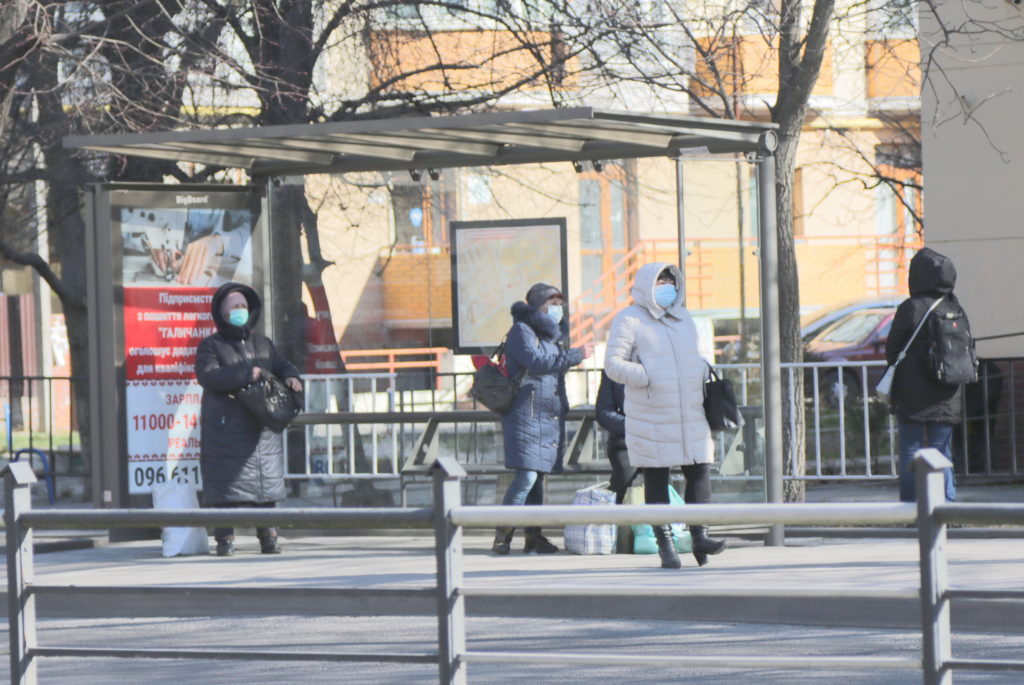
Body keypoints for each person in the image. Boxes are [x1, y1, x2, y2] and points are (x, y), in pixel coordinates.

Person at [604, 263, 727, 569]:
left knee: (699, 470)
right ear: (647, 285)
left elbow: (700, 355)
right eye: (661, 282)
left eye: (671, 282)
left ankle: (701, 536)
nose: (667, 287)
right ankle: (666, 545)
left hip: (690, 411)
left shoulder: (684, 318)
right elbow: (613, 364)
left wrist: (700, 370)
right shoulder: (629, 319)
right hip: (652, 413)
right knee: (657, 476)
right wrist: (648, 375)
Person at [194, 282, 303, 556]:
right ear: (222, 312)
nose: (240, 310)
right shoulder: (211, 346)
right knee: (226, 487)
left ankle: (269, 537)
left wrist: (292, 377)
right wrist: (246, 374)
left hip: (261, 427)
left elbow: (282, 365)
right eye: (234, 306)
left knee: (266, 486)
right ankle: (225, 539)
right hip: (227, 429)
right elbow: (209, 376)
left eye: (243, 305)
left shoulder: (263, 344)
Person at [492, 283, 595, 555]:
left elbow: (553, 371)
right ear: (538, 305)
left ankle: (533, 536)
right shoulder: (522, 331)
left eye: (560, 303)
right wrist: (576, 355)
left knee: (537, 478)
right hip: (524, 415)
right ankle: (503, 535)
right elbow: (537, 363)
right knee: (526, 477)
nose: (557, 309)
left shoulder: (551, 337)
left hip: (545, 416)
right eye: (552, 303)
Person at [886, 247, 966, 502]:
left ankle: (911, 506)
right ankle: (946, 505)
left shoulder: (910, 308)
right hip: (947, 392)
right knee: (942, 451)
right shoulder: (954, 307)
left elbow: (892, 350)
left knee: (911, 450)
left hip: (911, 394)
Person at [595, 371, 636, 504]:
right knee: (624, 473)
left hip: (655, 441)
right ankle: (609, 512)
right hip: (624, 442)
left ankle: (664, 517)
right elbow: (603, 412)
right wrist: (632, 425)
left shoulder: (660, 365)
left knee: (661, 481)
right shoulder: (613, 369)